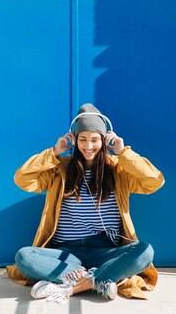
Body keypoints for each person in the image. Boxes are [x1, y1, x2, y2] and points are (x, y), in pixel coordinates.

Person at [8, 103, 165, 302]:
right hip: (66, 252)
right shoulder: (60, 168)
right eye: (82, 139)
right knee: (24, 256)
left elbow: (154, 182)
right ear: (74, 139)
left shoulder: (118, 169)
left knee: (145, 252)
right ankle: (100, 278)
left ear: (105, 139)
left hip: (105, 250)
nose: (88, 146)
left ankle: (74, 287)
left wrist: (123, 152)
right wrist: (54, 152)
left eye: (94, 140)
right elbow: (23, 179)